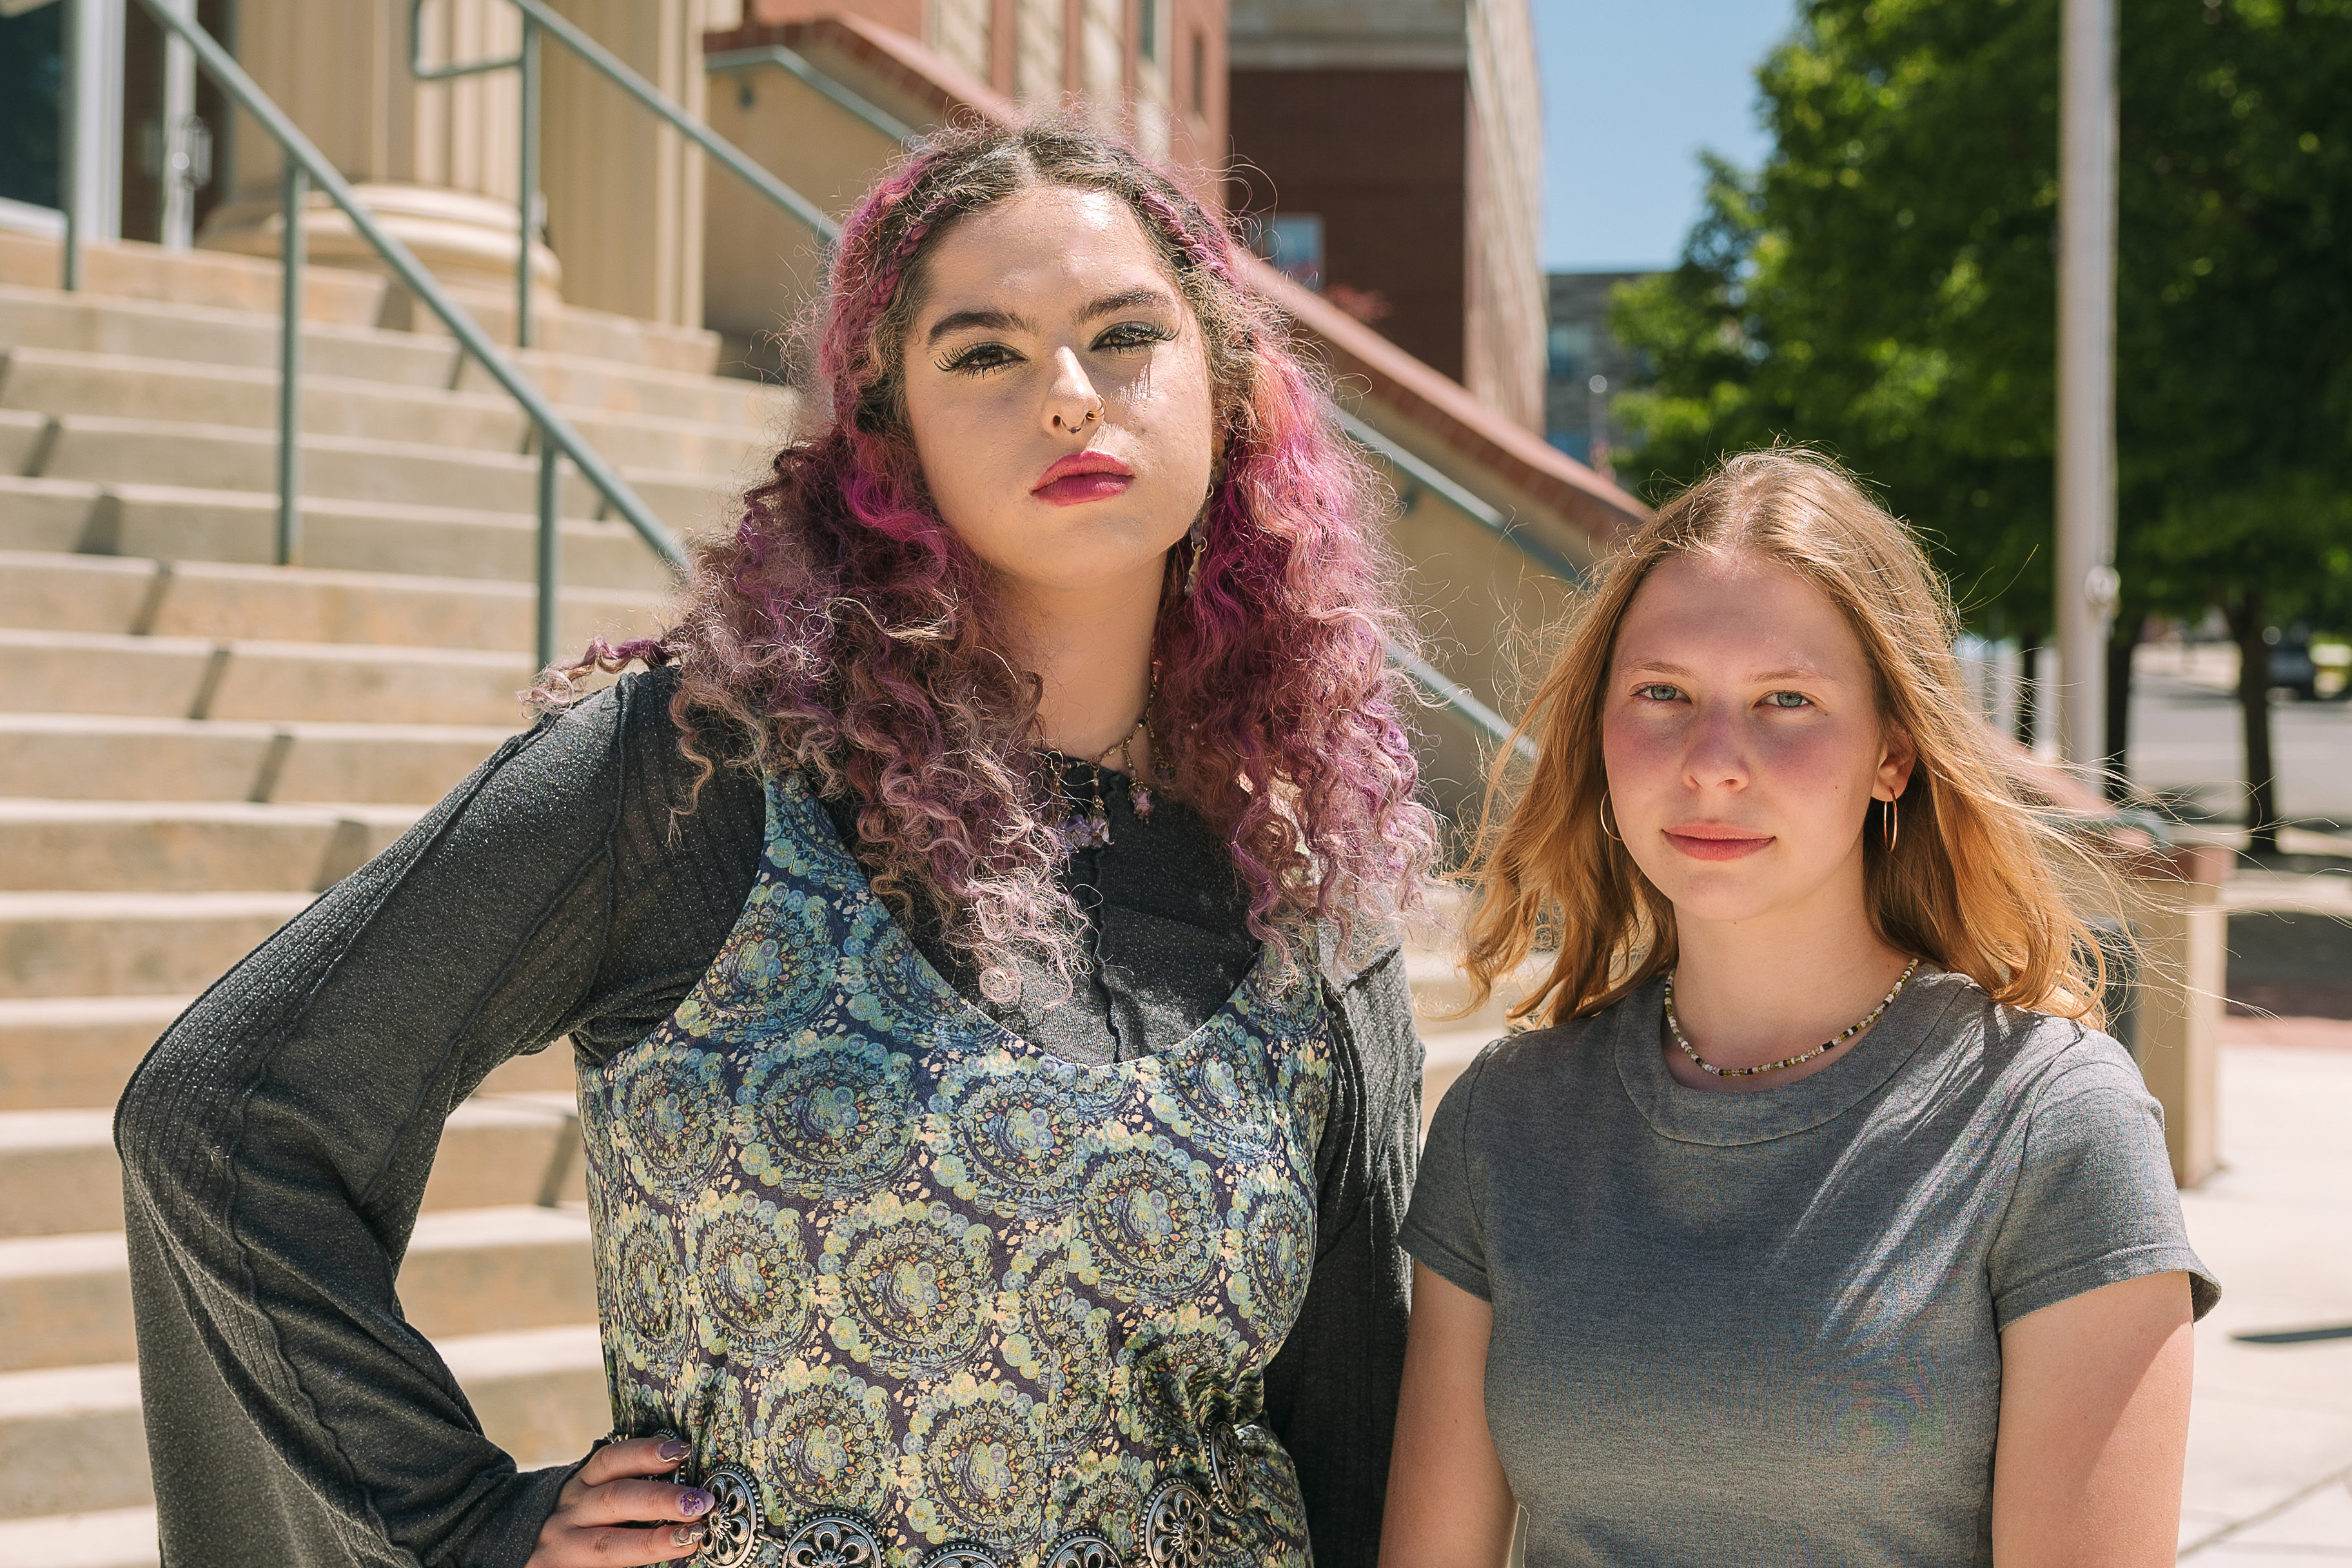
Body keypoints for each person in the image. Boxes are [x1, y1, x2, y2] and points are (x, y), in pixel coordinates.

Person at [117, 121, 1437, 1568]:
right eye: (983, 353)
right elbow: (229, 1124)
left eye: (1125, 336)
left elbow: (1354, 1442)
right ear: (890, 433)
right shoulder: (697, 782)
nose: (1069, 397)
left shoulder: (1302, 899)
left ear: (1229, 388)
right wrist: (461, 1522)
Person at [1380, 450, 2219, 1567]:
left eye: (1788, 702)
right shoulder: (1505, 1121)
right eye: (1663, 694)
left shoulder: (2049, 1124)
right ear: (1600, 733)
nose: (1714, 762)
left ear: (1894, 753)